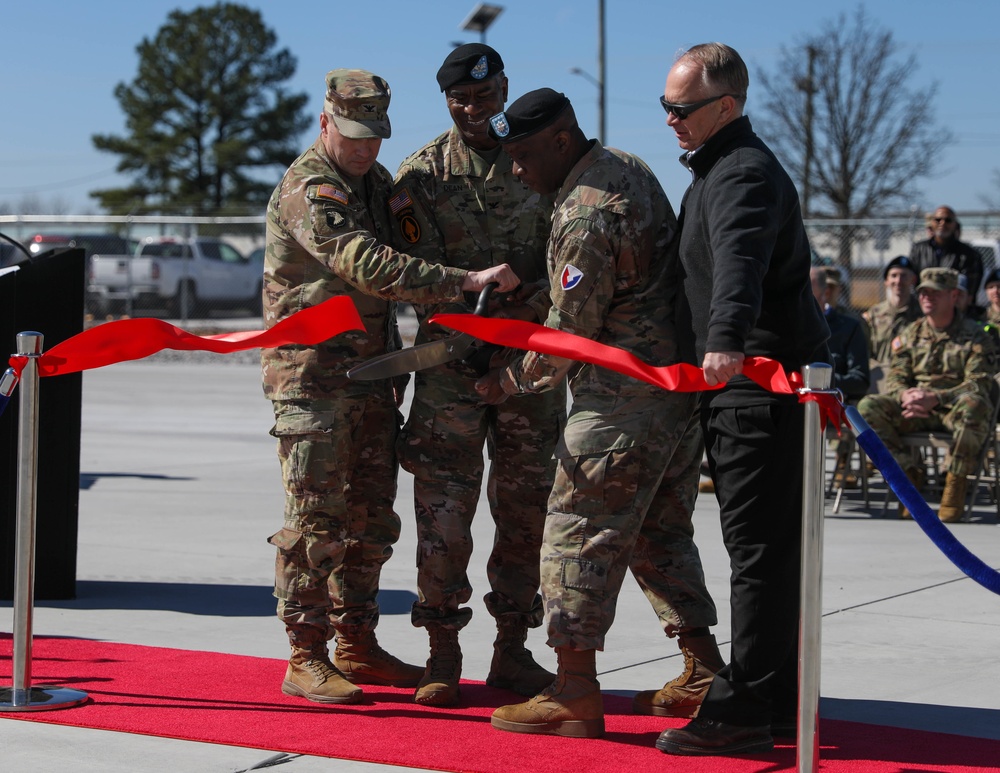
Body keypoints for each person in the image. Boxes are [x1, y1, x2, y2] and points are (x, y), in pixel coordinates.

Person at [261, 68, 520, 706]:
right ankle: (306, 654)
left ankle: (355, 642)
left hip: (372, 377)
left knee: (371, 519)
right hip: (313, 384)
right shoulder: (311, 187)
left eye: (375, 134)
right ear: (326, 122)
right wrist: (463, 280)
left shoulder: (378, 184)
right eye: (353, 134)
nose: (365, 147)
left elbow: (404, 237)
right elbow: (365, 263)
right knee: (315, 521)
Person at [474, 89, 721, 738]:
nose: (515, 170)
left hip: (618, 406)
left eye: (524, 155)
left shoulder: (583, 211)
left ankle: (574, 687)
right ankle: (704, 671)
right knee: (658, 534)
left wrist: (506, 381)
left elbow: (569, 331)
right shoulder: (627, 168)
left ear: (560, 141)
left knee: (574, 531)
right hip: (675, 398)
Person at [655, 43, 830, 757]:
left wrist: (724, 338)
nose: (669, 120)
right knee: (768, 552)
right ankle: (776, 694)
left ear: (726, 106)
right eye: (664, 107)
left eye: (682, 109)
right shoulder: (717, 168)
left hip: (754, 386)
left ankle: (741, 708)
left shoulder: (742, 173)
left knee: (756, 552)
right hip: (745, 388)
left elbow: (741, 259)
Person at [387, 44, 566, 706]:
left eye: (485, 99)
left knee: (527, 513)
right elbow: (408, 271)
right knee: (444, 517)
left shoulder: (543, 161)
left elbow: (570, 258)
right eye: (460, 101)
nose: (473, 110)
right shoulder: (423, 175)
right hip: (451, 367)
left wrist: (530, 305)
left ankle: (513, 651)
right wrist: (467, 311)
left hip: (530, 366)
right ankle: (440, 650)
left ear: (505, 92)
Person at [856, 268, 997, 523]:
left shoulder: (976, 335)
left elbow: (978, 383)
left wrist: (936, 398)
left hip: (952, 409)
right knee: (867, 408)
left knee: (975, 405)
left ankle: (954, 484)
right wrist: (905, 395)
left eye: (935, 292)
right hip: (915, 409)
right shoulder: (911, 333)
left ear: (954, 295)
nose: (926, 298)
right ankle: (908, 474)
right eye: (923, 292)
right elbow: (896, 376)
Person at [909, 206, 983, 310]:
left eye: (948, 220)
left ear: (954, 225)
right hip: (923, 309)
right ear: (932, 223)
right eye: (938, 220)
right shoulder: (918, 250)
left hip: (954, 313)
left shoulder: (969, 254)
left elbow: (969, 291)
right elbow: (911, 282)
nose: (942, 223)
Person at [862, 255, 921, 368]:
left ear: (913, 280)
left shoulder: (921, 314)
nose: (898, 281)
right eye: (894, 276)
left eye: (904, 276)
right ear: (886, 281)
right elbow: (865, 350)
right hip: (879, 375)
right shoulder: (874, 314)